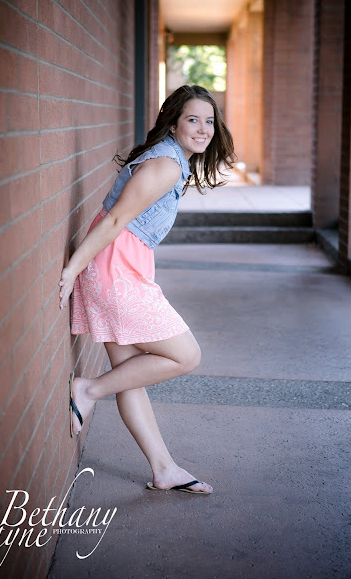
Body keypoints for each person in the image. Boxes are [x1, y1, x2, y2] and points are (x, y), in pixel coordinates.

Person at [59, 85, 235, 495]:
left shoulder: (174, 161)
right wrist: (73, 268)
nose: (203, 129)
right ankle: (88, 390)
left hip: (121, 265)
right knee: (186, 355)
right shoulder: (166, 165)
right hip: (115, 269)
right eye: (193, 119)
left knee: (129, 375)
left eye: (209, 121)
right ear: (174, 123)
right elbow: (115, 219)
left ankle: (164, 469)